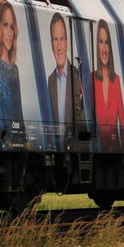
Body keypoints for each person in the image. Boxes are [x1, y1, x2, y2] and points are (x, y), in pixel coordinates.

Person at [46, 13, 81, 149]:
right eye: (55, 39)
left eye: (62, 39)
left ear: (67, 42)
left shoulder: (77, 76)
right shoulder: (50, 81)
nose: (59, 47)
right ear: (51, 44)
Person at [92, 19, 124, 152]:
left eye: (107, 43)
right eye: (101, 42)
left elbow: (123, 123)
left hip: (115, 148)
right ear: (96, 45)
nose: (104, 49)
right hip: (96, 145)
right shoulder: (91, 78)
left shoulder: (116, 80)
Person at [0, 0, 23, 127]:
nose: (10, 33)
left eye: (12, 27)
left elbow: (19, 114)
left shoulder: (14, 70)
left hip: (15, 139)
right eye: (5, 25)